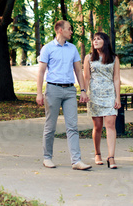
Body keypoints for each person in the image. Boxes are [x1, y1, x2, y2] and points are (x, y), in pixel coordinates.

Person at [36, 20, 91, 170]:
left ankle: (76, 160)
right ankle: (47, 157)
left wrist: (83, 90)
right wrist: (39, 93)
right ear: (60, 30)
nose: (71, 31)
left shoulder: (72, 49)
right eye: (69, 29)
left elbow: (79, 71)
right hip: (53, 89)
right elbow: (41, 72)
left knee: (72, 126)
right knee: (50, 126)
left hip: (69, 91)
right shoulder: (47, 48)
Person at [83, 31, 121, 169]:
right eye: (94, 39)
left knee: (110, 125)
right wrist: (83, 92)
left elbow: (116, 78)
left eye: (98, 39)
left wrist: (117, 97)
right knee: (98, 126)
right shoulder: (89, 58)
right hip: (94, 95)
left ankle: (111, 157)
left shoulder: (114, 58)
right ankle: (97, 153)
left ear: (105, 41)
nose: (95, 41)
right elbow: (86, 77)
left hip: (110, 95)